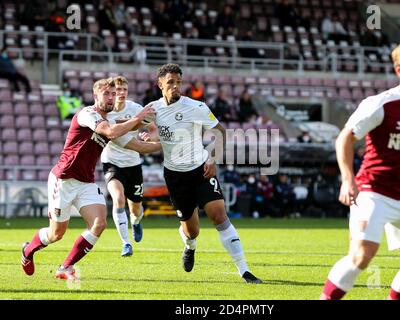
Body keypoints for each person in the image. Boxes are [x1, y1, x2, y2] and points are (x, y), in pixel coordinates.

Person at [320, 40, 400, 300]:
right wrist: (348, 179)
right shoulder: (381, 104)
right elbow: (345, 138)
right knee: (362, 255)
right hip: (372, 191)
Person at [20, 78, 161, 280]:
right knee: (56, 234)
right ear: (96, 96)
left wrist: (165, 145)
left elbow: (138, 146)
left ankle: (65, 268)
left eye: (114, 94)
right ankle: (27, 251)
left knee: (99, 223)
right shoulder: (87, 114)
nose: (111, 97)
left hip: (86, 182)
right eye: (107, 94)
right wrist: (138, 118)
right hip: (64, 179)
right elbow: (110, 131)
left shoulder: (112, 124)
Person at [150, 63, 262, 283]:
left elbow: (220, 131)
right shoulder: (152, 109)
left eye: (178, 82)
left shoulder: (196, 107)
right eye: (170, 82)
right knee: (192, 231)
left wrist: (213, 158)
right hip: (175, 176)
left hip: (201, 169)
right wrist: (146, 135)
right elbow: (143, 129)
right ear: (160, 84)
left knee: (219, 216)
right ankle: (190, 247)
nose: (175, 86)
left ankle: (244, 270)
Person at [101, 76, 158, 257]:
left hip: (133, 164)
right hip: (111, 162)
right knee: (118, 199)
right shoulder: (106, 113)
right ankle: (126, 243)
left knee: (136, 208)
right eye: (118, 90)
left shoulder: (135, 109)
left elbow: (154, 129)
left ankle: (135, 221)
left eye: (125, 90)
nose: (122, 93)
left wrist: (152, 138)